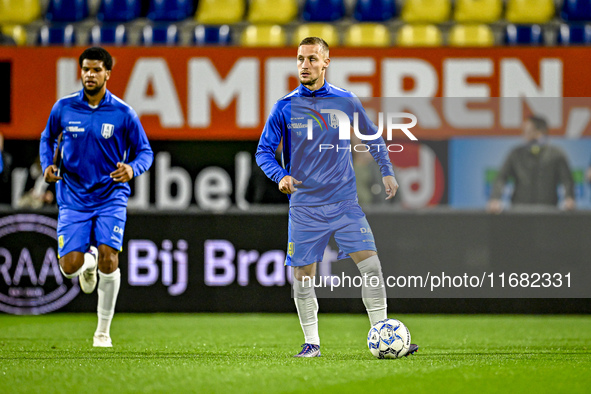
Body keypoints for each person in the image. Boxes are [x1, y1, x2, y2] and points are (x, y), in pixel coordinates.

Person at [256, 37, 418, 357]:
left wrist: (386, 171)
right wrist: (281, 175)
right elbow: (263, 153)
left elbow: (373, 137)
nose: (305, 65)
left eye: (312, 59)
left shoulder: (346, 101)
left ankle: (383, 332)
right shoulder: (284, 107)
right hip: (305, 205)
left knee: (371, 267)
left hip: (344, 202)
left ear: (326, 62)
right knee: (303, 277)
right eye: (301, 59)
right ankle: (311, 344)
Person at [40, 47, 153, 347]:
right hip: (73, 196)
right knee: (69, 268)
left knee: (110, 258)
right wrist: (47, 167)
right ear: (81, 72)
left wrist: (133, 169)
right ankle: (86, 262)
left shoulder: (123, 112)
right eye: (85, 70)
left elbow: (145, 152)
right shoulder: (63, 108)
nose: (90, 75)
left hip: (110, 195)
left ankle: (102, 332)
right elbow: (47, 138)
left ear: (108, 74)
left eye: (96, 70)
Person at [487, 115, 575, 213]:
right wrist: (495, 198)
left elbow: (567, 180)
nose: (523, 134)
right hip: (519, 210)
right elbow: (501, 178)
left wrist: (569, 198)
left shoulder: (556, 154)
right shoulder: (516, 154)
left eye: (527, 131)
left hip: (548, 210)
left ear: (539, 132)